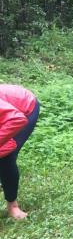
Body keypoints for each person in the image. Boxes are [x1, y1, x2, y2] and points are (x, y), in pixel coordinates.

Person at [0, 85, 40, 219]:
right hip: (5, 112)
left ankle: (13, 206)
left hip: (23, 109)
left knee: (5, 155)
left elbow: (17, 119)